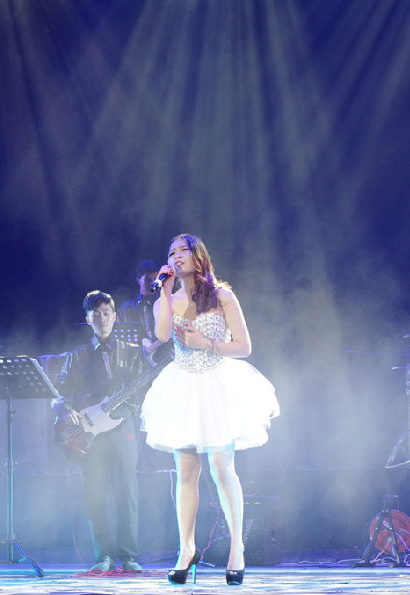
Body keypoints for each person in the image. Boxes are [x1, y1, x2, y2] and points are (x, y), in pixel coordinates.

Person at [139, 233, 280, 586]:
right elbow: (162, 334)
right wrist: (164, 292)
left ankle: (236, 547)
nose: (176, 256)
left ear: (197, 255)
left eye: (182, 250)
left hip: (218, 383)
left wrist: (206, 344)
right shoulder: (166, 300)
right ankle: (186, 549)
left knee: (221, 466)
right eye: (171, 252)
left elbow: (244, 347)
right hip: (183, 387)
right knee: (185, 471)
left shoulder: (222, 295)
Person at [51, 290, 148, 573]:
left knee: (127, 492)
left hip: (123, 427)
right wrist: (65, 409)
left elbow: (143, 390)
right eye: (96, 314)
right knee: (94, 492)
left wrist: (125, 407)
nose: (102, 319)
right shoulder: (77, 356)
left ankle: (129, 556)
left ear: (115, 317)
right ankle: (103, 555)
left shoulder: (132, 351)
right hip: (89, 432)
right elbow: (59, 392)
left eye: (106, 313)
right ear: (87, 319)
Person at [117, 259, 172, 366]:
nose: (152, 283)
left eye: (154, 279)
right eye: (147, 279)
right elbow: (117, 337)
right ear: (138, 280)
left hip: (165, 359)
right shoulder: (126, 309)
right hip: (136, 364)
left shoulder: (166, 304)